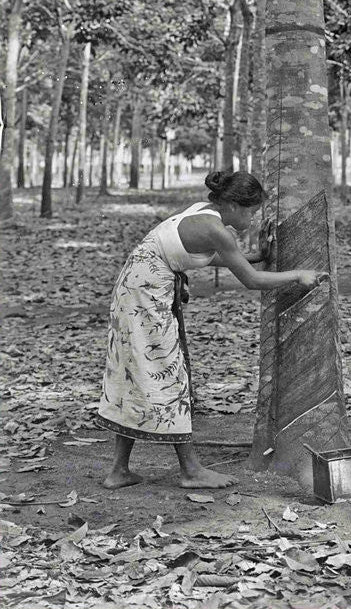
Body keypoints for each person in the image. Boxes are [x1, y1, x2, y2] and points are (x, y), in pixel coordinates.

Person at [96, 169, 322, 490]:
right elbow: (251, 281)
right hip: (144, 294)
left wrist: (255, 255)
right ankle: (191, 470)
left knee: (137, 372)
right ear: (233, 206)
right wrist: (298, 275)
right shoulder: (217, 229)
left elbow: (200, 254)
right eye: (252, 211)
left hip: (135, 286)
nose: (254, 219)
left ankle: (119, 470)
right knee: (168, 372)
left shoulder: (203, 214)